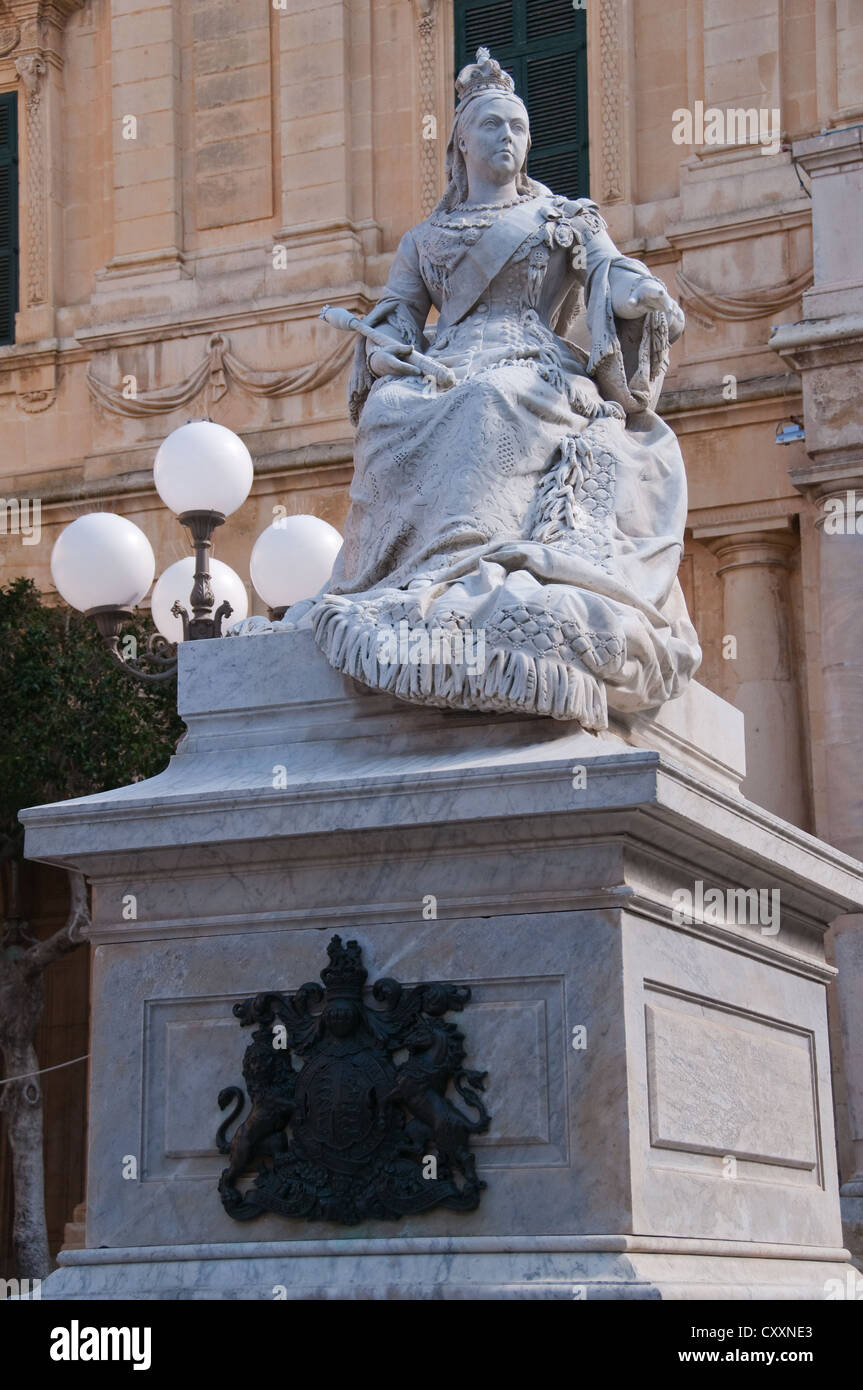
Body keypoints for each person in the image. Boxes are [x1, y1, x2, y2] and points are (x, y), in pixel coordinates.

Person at [309, 48, 701, 728]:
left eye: (517, 127)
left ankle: (464, 566)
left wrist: (640, 294)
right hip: (444, 363)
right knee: (388, 413)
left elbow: (610, 274)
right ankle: (406, 578)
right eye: (491, 126)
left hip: (532, 362)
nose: (508, 138)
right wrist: (387, 355)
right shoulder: (423, 238)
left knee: (488, 401)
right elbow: (399, 313)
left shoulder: (565, 218)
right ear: (460, 142)